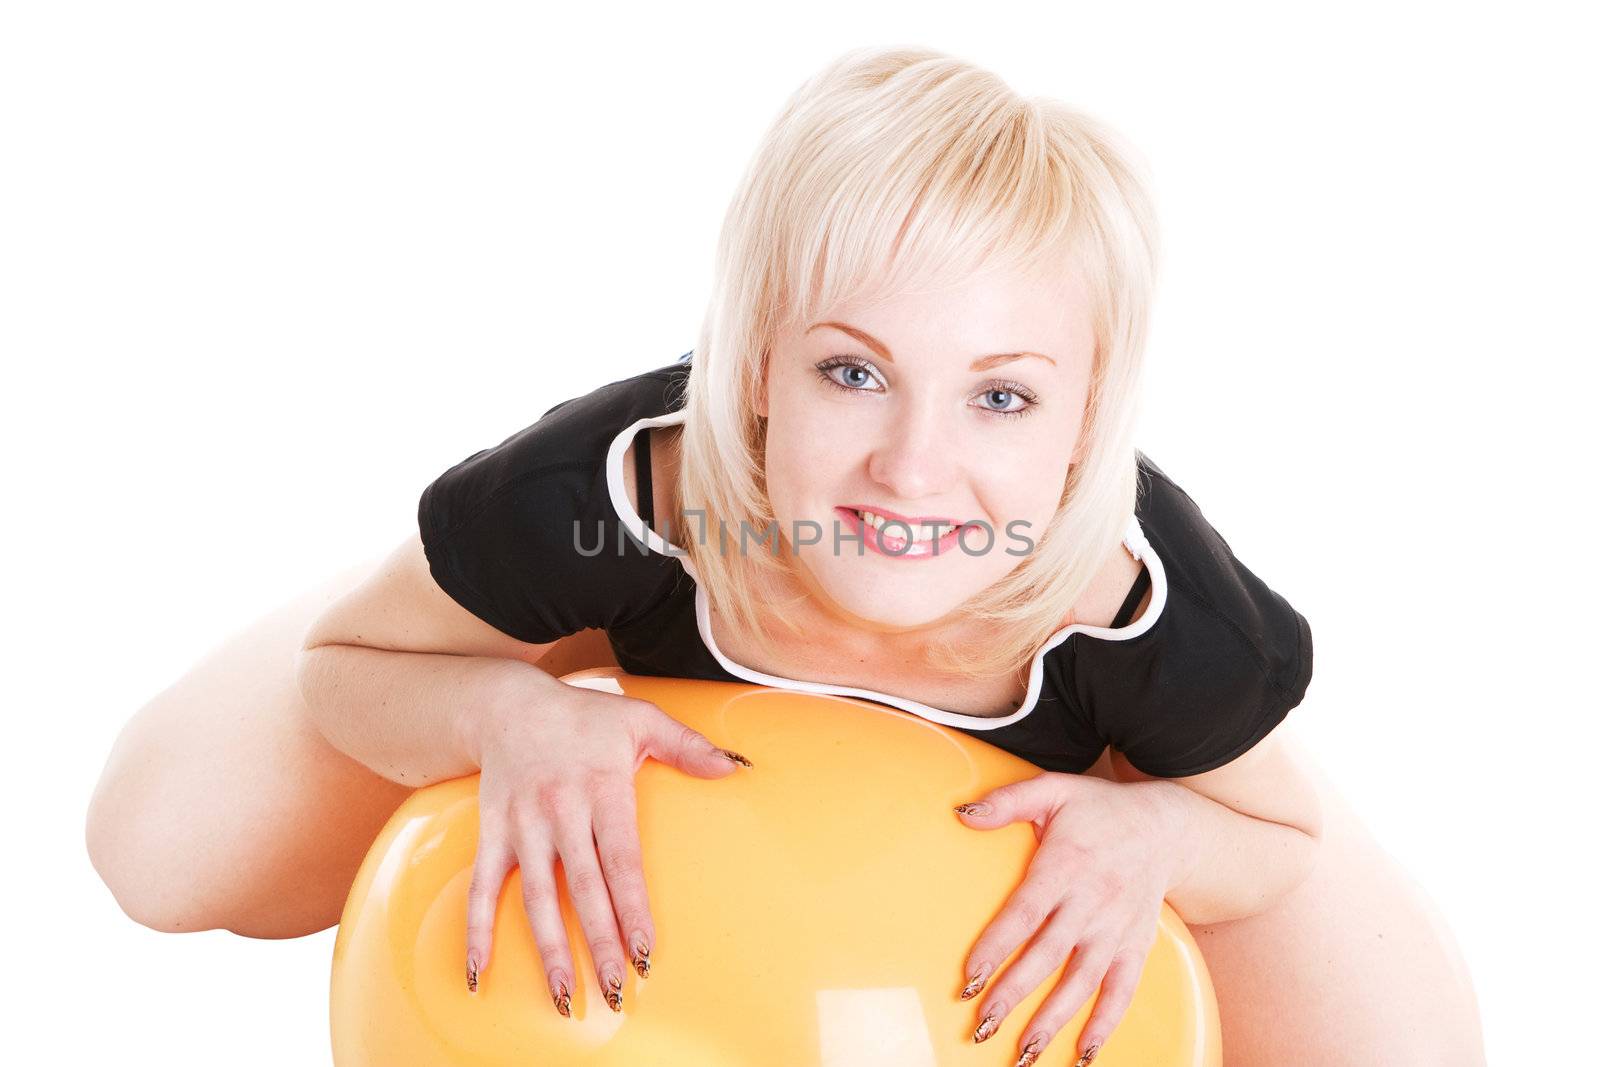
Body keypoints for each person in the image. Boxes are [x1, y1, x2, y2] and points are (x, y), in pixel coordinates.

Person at [86, 46, 1486, 1067]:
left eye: (1002, 397)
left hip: (1077, 694)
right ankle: (537, 618)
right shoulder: (621, 494)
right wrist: (494, 700)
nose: (916, 465)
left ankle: (1124, 749)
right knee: (158, 857)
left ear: (1083, 427)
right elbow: (350, 673)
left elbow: (1272, 841)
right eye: (852, 374)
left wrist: (1167, 825)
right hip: (700, 565)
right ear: (756, 366)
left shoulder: (1139, 610)